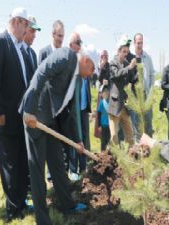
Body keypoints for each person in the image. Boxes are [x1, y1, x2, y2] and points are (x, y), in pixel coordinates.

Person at [20, 48, 93, 225]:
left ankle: (68, 205)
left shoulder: (76, 77)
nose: (91, 75)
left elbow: (69, 112)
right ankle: (43, 220)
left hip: (50, 122)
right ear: (86, 61)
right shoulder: (66, 56)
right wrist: (29, 110)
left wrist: (78, 140)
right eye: (92, 70)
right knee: (37, 171)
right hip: (35, 118)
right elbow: (41, 72)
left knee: (58, 165)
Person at [0, 7, 32, 221]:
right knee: (9, 165)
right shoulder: (0, 41)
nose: (27, 30)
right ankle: (12, 210)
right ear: (17, 22)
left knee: (19, 161)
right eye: (26, 25)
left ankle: (20, 202)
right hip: (5, 118)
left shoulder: (20, 48)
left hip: (19, 118)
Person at [38, 20, 65, 182]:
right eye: (59, 35)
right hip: (47, 106)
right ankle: (49, 175)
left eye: (63, 36)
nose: (61, 39)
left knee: (59, 140)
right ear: (53, 34)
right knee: (47, 140)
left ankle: (58, 174)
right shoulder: (43, 52)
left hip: (60, 106)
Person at [69, 32, 91, 180]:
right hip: (74, 109)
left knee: (84, 139)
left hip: (84, 109)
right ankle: (73, 169)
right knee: (74, 138)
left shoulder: (85, 72)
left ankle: (83, 168)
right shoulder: (73, 68)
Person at [108, 35, 136, 146]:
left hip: (124, 105)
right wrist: (129, 68)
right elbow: (116, 74)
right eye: (124, 51)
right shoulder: (113, 63)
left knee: (130, 134)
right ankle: (113, 158)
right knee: (114, 135)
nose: (125, 54)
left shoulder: (126, 64)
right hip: (115, 104)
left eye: (127, 52)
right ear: (118, 51)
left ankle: (132, 157)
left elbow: (132, 79)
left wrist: (136, 71)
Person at [131, 33, 155, 139]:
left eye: (141, 42)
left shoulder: (147, 58)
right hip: (135, 97)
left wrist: (151, 91)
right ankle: (138, 149)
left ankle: (149, 149)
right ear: (134, 43)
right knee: (136, 125)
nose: (140, 45)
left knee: (148, 123)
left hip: (146, 95)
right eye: (138, 43)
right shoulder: (131, 57)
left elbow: (151, 75)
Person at [97, 86, 110, 151]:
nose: (106, 93)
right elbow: (99, 114)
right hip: (103, 125)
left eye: (107, 91)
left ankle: (108, 155)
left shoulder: (110, 102)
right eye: (104, 92)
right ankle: (102, 154)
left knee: (109, 141)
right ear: (102, 94)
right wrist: (99, 126)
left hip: (110, 126)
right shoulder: (102, 102)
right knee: (103, 141)